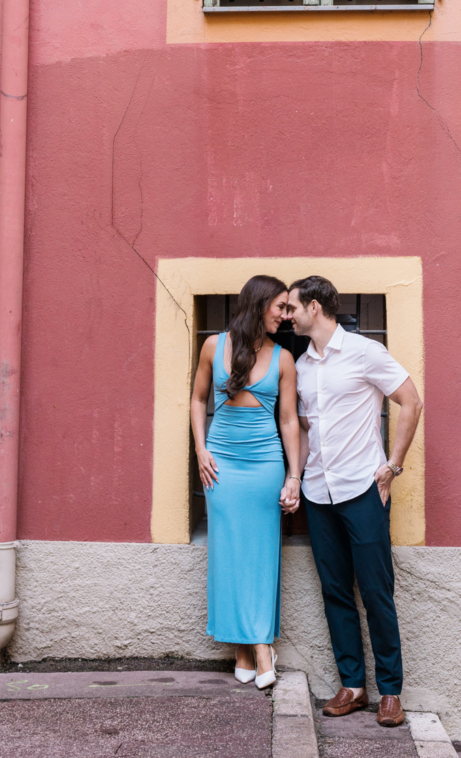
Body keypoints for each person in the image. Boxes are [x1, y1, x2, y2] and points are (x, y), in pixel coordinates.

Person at [282, 276, 423, 729]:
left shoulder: (364, 352)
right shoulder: (302, 366)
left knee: (377, 592)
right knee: (335, 591)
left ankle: (391, 691)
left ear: (316, 307)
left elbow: (410, 401)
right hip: (318, 492)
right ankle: (353, 685)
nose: (288, 315)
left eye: (294, 308)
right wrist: (296, 478)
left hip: (363, 489)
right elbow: (306, 431)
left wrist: (394, 465)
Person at [190, 275, 302, 688]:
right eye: (281, 307)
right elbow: (198, 399)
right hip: (221, 466)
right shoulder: (212, 346)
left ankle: (254, 646)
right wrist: (201, 450)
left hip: (264, 464)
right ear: (259, 306)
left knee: (260, 553)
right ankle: (251, 647)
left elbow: (289, 420)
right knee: (228, 553)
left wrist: (294, 475)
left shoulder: (283, 358)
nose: (286, 316)